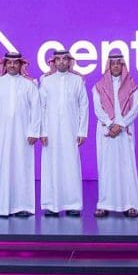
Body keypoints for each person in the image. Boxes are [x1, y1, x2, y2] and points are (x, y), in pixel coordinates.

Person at [0, 53, 41, 217]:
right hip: (1, 134)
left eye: (16, 63)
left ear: (21, 65)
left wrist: (34, 131)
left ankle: (23, 206)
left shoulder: (29, 85)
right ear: (5, 65)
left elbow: (36, 110)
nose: (12, 66)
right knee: (1, 167)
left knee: (23, 168)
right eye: (9, 63)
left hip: (24, 135)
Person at [39, 50, 89, 217]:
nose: (61, 62)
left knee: (70, 165)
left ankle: (73, 204)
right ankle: (51, 205)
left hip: (71, 130)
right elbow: (41, 107)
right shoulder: (46, 81)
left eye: (64, 59)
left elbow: (84, 106)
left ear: (69, 62)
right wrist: (42, 131)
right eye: (58, 59)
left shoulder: (77, 81)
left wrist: (82, 131)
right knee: (51, 166)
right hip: (50, 132)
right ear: (54, 62)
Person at [91, 53, 138, 218]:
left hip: (125, 131)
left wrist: (121, 125)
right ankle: (104, 204)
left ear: (123, 66)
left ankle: (130, 204)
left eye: (119, 63)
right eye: (113, 64)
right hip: (106, 131)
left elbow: (135, 109)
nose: (116, 66)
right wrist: (111, 124)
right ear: (109, 66)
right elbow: (98, 109)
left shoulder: (132, 86)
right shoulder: (98, 86)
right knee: (106, 167)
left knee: (127, 167)